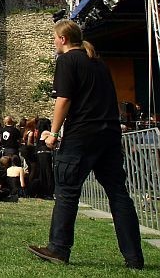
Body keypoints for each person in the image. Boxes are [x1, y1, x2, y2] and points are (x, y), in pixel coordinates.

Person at [28, 20, 143, 269]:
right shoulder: (99, 63)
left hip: (82, 134)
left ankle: (59, 248)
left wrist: (54, 133)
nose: (54, 42)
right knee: (118, 193)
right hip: (109, 133)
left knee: (67, 190)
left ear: (63, 39)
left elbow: (64, 99)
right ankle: (134, 257)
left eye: (54, 38)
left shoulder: (68, 61)